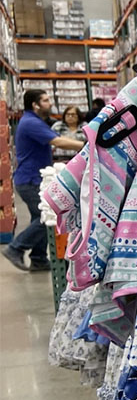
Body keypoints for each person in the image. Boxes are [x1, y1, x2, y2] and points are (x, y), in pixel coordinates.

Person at [4, 89, 84, 272]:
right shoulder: (31, 122)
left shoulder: (32, 121)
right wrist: (88, 144)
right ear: (35, 104)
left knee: (38, 217)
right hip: (30, 179)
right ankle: (15, 248)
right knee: (47, 217)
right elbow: (57, 141)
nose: (50, 103)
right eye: (46, 100)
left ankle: (38, 258)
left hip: (30, 178)